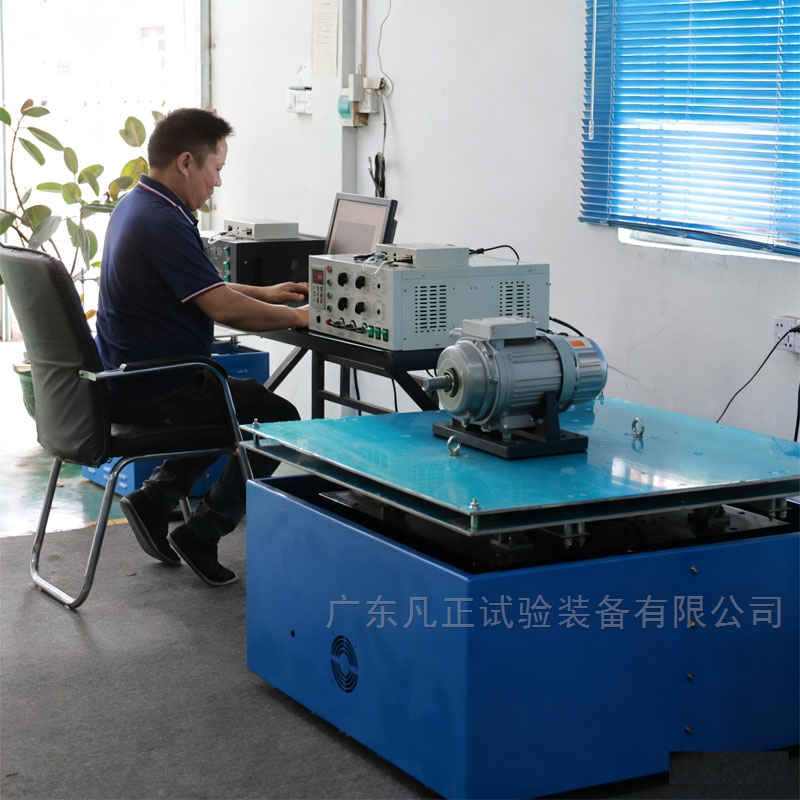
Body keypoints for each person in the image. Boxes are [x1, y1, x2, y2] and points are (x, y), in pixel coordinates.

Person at [95, 107, 308, 587]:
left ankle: (156, 499)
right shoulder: (163, 222)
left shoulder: (139, 206)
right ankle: (203, 531)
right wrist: (299, 316)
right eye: (216, 168)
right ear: (187, 162)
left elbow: (203, 287)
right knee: (278, 418)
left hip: (136, 378)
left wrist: (267, 293)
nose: (218, 182)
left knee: (230, 399)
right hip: (160, 388)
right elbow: (223, 308)